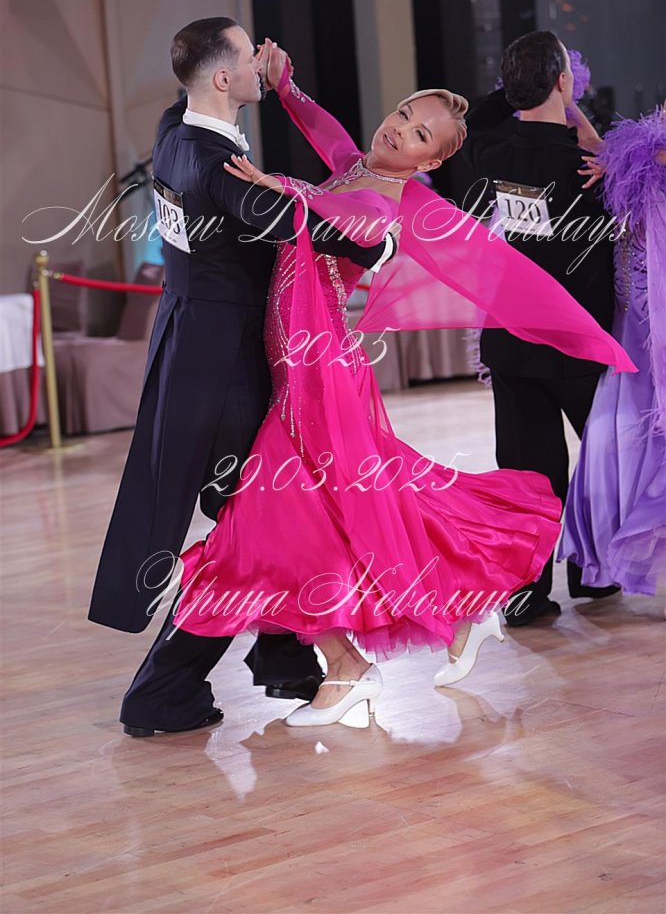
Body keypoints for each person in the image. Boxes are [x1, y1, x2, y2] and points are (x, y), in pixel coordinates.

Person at [168, 42, 633, 727]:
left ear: (430, 162)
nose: (399, 131)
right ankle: (443, 618)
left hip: (318, 372)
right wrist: (288, 90)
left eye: (419, 135)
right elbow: (329, 135)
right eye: (403, 115)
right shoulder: (359, 165)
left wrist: (277, 188)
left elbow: (342, 223)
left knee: (308, 510)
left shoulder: (389, 201)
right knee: (356, 505)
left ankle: (360, 663)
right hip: (296, 363)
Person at [88, 18, 393, 737]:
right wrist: (378, 242)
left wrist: (281, 84)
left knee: (263, 517)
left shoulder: (175, 129)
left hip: (189, 344)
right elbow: (302, 224)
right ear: (222, 79)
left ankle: (285, 661)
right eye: (248, 53)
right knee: (254, 524)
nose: (260, 58)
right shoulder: (217, 164)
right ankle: (165, 690)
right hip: (223, 366)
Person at [461, 30, 624, 628]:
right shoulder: (595, 168)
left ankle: (525, 591)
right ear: (564, 81)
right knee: (608, 461)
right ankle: (592, 570)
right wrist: (577, 114)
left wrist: (518, 91)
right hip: (579, 342)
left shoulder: (491, 151)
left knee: (526, 472)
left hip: (512, 339)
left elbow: (479, 118)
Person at [560, 105, 666, 594]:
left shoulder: (645, 155)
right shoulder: (638, 151)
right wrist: (579, 118)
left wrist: (619, 159)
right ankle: (605, 557)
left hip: (655, 315)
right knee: (613, 437)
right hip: (632, 319)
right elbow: (606, 146)